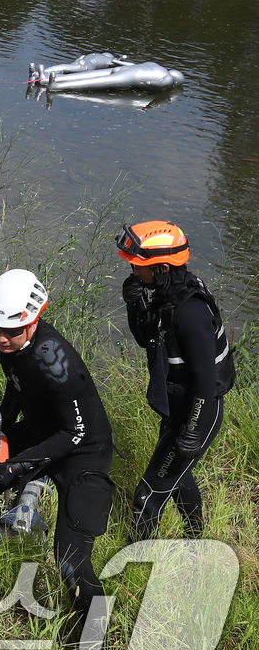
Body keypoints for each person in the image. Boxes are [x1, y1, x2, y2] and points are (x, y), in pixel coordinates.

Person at [0, 269, 115, 644]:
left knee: (70, 561)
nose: (1, 338)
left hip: (84, 453)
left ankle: (96, 642)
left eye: (11, 331)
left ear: (34, 320)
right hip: (44, 432)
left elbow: (75, 432)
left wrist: (19, 465)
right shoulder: (8, 341)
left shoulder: (56, 362)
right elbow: (17, 387)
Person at [116, 221, 233, 541]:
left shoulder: (190, 311)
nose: (133, 271)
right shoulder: (168, 293)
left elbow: (206, 378)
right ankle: (197, 540)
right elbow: (146, 340)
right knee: (178, 478)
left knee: (146, 497)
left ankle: (133, 569)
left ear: (163, 267)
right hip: (178, 408)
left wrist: (192, 431)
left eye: (139, 267)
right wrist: (134, 304)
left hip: (197, 411)